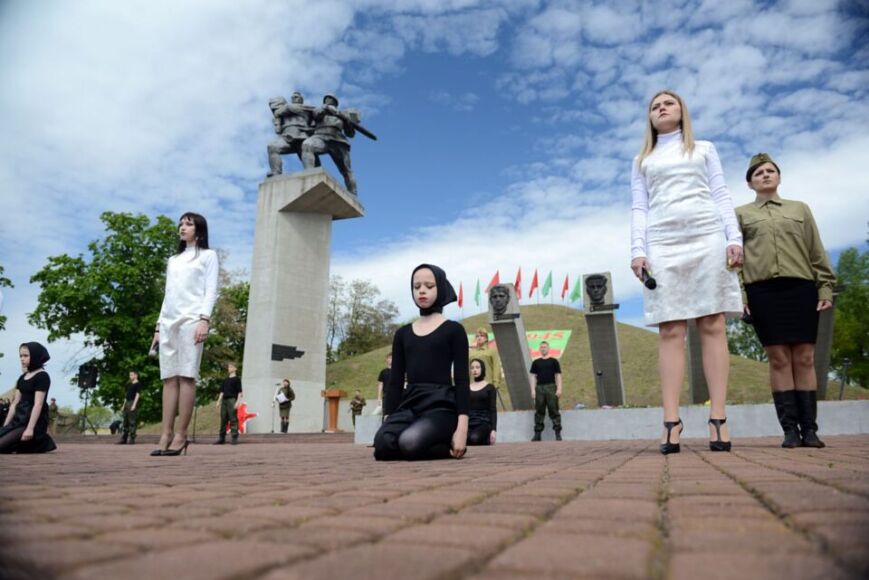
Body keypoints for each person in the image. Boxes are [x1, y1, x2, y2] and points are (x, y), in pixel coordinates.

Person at [630, 90, 743, 454]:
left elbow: (720, 193)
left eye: (668, 103)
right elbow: (639, 207)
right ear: (650, 117)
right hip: (663, 241)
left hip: (706, 234)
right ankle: (671, 420)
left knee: (712, 323)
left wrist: (734, 237)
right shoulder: (642, 160)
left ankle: (718, 417)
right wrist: (637, 250)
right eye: (655, 106)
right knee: (670, 328)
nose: (661, 108)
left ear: (682, 111)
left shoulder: (704, 149)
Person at [737, 153, 835, 448]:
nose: (765, 175)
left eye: (770, 171)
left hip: (800, 288)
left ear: (778, 177)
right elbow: (735, 261)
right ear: (750, 183)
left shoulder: (800, 209)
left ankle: (810, 430)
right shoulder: (740, 214)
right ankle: (790, 431)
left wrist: (825, 288)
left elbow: (816, 250)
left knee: (804, 358)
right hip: (762, 292)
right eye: (758, 173)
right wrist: (741, 295)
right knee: (779, 358)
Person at [373, 264, 469, 461]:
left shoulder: (454, 330)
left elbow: (461, 380)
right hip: (409, 405)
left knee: (410, 442)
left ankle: (445, 446)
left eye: (429, 286)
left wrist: (462, 430)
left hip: (441, 407)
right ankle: (430, 446)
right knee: (382, 444)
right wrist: (389, 418)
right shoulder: (403, 333)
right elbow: (396, 381)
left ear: (440, 287)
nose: (422, 291)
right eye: (416, 287)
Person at [149, 212, 219, 456]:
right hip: (169, 321)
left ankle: (181, 435)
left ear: (199, 230)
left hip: (192, 319)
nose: (182, 227)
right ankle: (165, 434)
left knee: (187, 376)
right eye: (181, 224)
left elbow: (210, 290)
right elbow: (168, 294)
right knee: (169, 378)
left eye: (188, 224)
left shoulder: (208, 256)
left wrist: (204, 320)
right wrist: (158, 327)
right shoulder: (173, 260)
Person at [0, 342, 57, 453]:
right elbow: (15, 403)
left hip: (32, 422)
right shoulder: (22, 377)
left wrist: (30, 429)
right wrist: (5, 427)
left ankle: (42, 442)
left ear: (35, 356)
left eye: (26, 356)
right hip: (19, 419)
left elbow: (38, 404)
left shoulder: (42, 376)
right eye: (20, 356)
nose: (22, 359)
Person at [301, 94, 357, 194]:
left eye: (331, 99)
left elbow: (350, 134)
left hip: (338, 141)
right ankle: (309, 174)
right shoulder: (319, 109)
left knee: (346, 170)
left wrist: (346, 120)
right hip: (321, 137)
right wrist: (325, 108)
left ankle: (353, 193)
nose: (328, 100)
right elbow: (316, 115)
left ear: (335, 102)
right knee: (307, 145)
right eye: (326, 98)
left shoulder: (343, 114)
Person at [530, 341, 563, 441]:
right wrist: (533, 390)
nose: (543, 349)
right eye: (541, 347)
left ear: (548, 349)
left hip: (551, 387)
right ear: (539, 349)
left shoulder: (554, 361)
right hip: (539, 388)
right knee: (539, 410)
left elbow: (558, 375)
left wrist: (559, 388)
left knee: (554, 409)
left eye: (545, 347)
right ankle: (537, 434)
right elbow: (533, 376)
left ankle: (557, 433)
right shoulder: (536, 362)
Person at [467, 358, 497, 446]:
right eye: (472, 368)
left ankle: (486, 438)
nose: (474, 370)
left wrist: (494, 430)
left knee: (474, 438)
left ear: (482, 369)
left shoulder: (490, 387)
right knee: (459, 439)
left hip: (483, 423)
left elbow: (493, 410)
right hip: (469, 422)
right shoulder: (467, 388)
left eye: (477, 367)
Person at [214, 363, 243, 445]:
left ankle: (234, 437)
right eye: (229, 367)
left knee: (233, 418)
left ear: (235, 368)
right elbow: (222, 392)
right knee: (223, 419)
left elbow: (240, 392)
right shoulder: (225, 380)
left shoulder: (237, 379)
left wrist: (237, 402)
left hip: (232, 400)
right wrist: (218, 401)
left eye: (231, 367)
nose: (229, 368)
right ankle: (221, 438)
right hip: (224, 400)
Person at [116, 371, 141, 444]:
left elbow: (137, 395)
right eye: (129, 375)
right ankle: (124, 439)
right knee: (125, 422)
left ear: (136, 375)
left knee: (132, 422)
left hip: (132, 402)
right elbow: (126, 396)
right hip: (127, 403)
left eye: (131, 375)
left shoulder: (138, 384)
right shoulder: (129, 384)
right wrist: (123, 405)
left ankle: (132, 439)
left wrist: (134, 405)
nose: (130, 376)